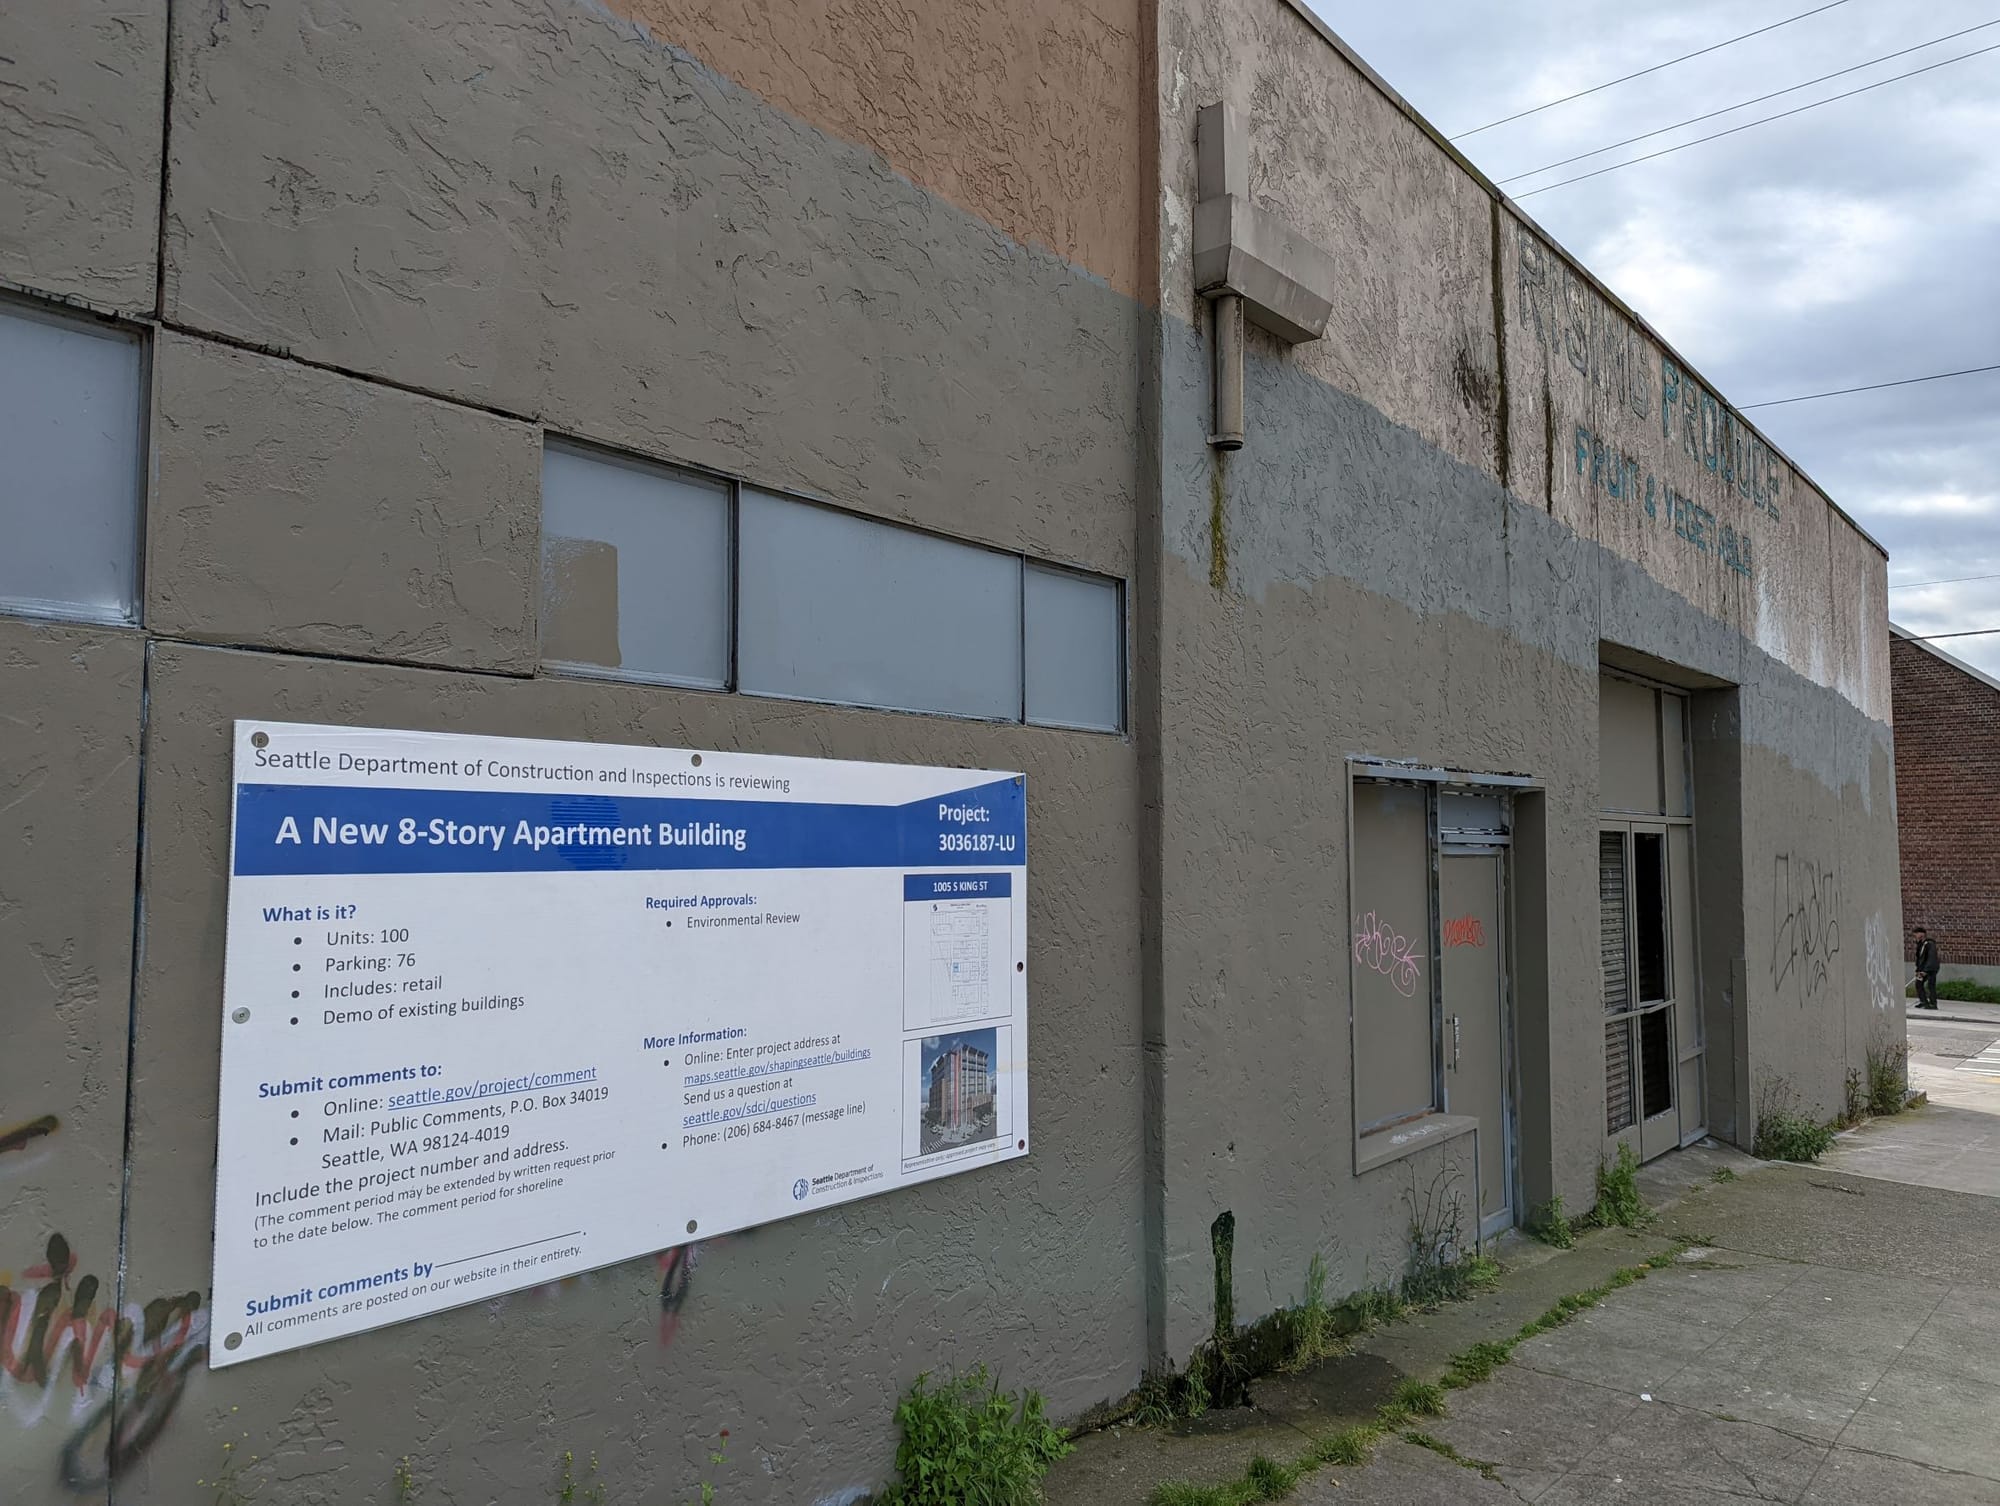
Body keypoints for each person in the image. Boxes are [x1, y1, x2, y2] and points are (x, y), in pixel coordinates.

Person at [1913, 926, 1941, 1010]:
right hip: (1922, 969)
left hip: (1930, 969)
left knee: (1931, 985)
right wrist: (1918, 970)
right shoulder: (1921, 945)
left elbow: (1931, 957)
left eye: (1916, 935)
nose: (1915, 937)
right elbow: (1920, 959)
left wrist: (1926, 970)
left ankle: (1933, 1003)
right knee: (1918, 983)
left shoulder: (1929, 943)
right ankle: (1923, 1001)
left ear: (1922, 934)